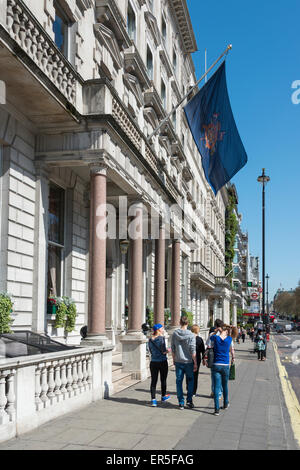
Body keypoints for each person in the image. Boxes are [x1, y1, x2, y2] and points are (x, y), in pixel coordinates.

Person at [171, 316, 197, 410]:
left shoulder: (175, 334)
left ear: (180, 322)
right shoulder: (191, 335)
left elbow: (173, 349)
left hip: (178, 361)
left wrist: (174, 359)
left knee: (179, 381)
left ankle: (181, 402)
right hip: (189, 361)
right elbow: (193, 350)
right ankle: (189, 401)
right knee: (190, 381)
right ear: (187, 323)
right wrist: (195, 363)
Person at [210, 325, 235, 416]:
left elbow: (210, 337)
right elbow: (232, 349)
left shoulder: (216, 338)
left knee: (216, 387)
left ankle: (216, 409)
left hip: (216, 364)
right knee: (225, 386)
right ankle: (225, 403)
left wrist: (217, 330)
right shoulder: (229, 339)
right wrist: (233, 358)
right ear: (227, 331)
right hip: (225, 365)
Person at [148, 324, 170, 407]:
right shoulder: (161, 338)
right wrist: (169, 350)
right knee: (163, 380)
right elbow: (164, 351)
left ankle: (153, 400)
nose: (163, 329)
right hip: (162, 361)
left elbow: (149, 350)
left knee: (153, 381)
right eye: (162, 328)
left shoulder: (150, 340)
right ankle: (163, 396)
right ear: (158, 330)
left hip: (153, 362)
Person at [204, 319, 224, 399]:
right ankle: (220, 392)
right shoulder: (225, 334)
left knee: (214, 376)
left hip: (214, 357)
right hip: (223, 357)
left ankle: (214, 392)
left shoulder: (212, 334)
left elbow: (208, 345)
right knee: (222, 376)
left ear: (215, 326)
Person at [187, 325, 205, 397]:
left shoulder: (188, 338)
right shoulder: (199, 339)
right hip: (197, 358)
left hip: (188, 358)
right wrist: (204, 359)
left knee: (188, 374)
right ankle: (193, 391)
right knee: (195, 375)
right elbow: (203, 351)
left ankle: (188, 388)